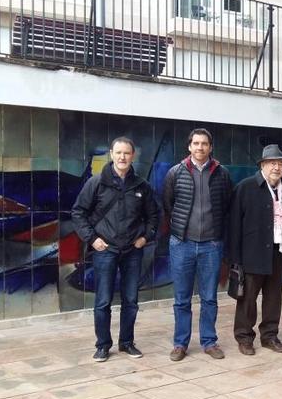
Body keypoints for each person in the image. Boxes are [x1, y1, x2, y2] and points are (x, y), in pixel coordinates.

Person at [72, 137, 160, 362]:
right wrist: (92, 239)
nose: (122, 157)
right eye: (118, 152)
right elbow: (78, 212)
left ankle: (127, 343)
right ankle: (103, 345)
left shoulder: (142, 186)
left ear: (133, 156)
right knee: (103, 301)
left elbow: (154, 216)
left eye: (127, 153)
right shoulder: (97, 182)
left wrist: (145, 238)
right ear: (111, 154)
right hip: (105, 250)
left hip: (132, 250)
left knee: (131, 299)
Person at [163, 128, 233, 361]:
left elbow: (227, 207)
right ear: (189, 146)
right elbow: (168, 205)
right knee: (181, 298)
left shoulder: (222, 174)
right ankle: (180, 344)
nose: (200, 147)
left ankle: (209, 341)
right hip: (181, 244)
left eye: (204, 144)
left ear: (210, 147)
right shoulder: (175, 173)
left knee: (209, 297)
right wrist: (178, 232)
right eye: (196, 143)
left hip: (211, 246)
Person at [227, 145, 282, 355]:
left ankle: (270, 336)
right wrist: (235, 258)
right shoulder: (246, 187)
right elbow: (234, 225)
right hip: (252, 253)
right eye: (273, 163)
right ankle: (244, 337)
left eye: (281, 163)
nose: (277, 167)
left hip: (278, 251)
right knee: (248, 299)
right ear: (263, 165)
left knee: (274, 298)